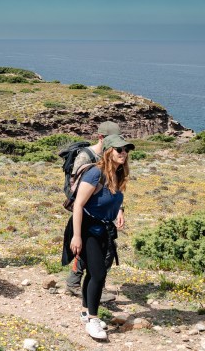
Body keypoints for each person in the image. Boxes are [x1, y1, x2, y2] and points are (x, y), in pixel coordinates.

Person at [65, 134, 133, 341]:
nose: (124, 153)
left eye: (126, 150)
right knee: (99, 273)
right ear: (108, 151)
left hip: (103, 228)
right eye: (119, 150)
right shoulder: (95, 173)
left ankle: (86, 312)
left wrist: (118, 211)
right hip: (86, 228)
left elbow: (113, 198)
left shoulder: (118, 174)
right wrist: (76, 236)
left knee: (93, 272)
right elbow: (78, 205)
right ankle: (93, 320)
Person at [66, 121, 123, 302]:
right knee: (88, 251)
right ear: (101, 138)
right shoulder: (86, 156)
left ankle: (92, 287)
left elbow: (114, 187)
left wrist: (119, 208)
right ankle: (78, 285)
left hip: (103, 212)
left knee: (105, 251)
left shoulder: (116, 159)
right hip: (86, 211)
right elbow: (76, 190)